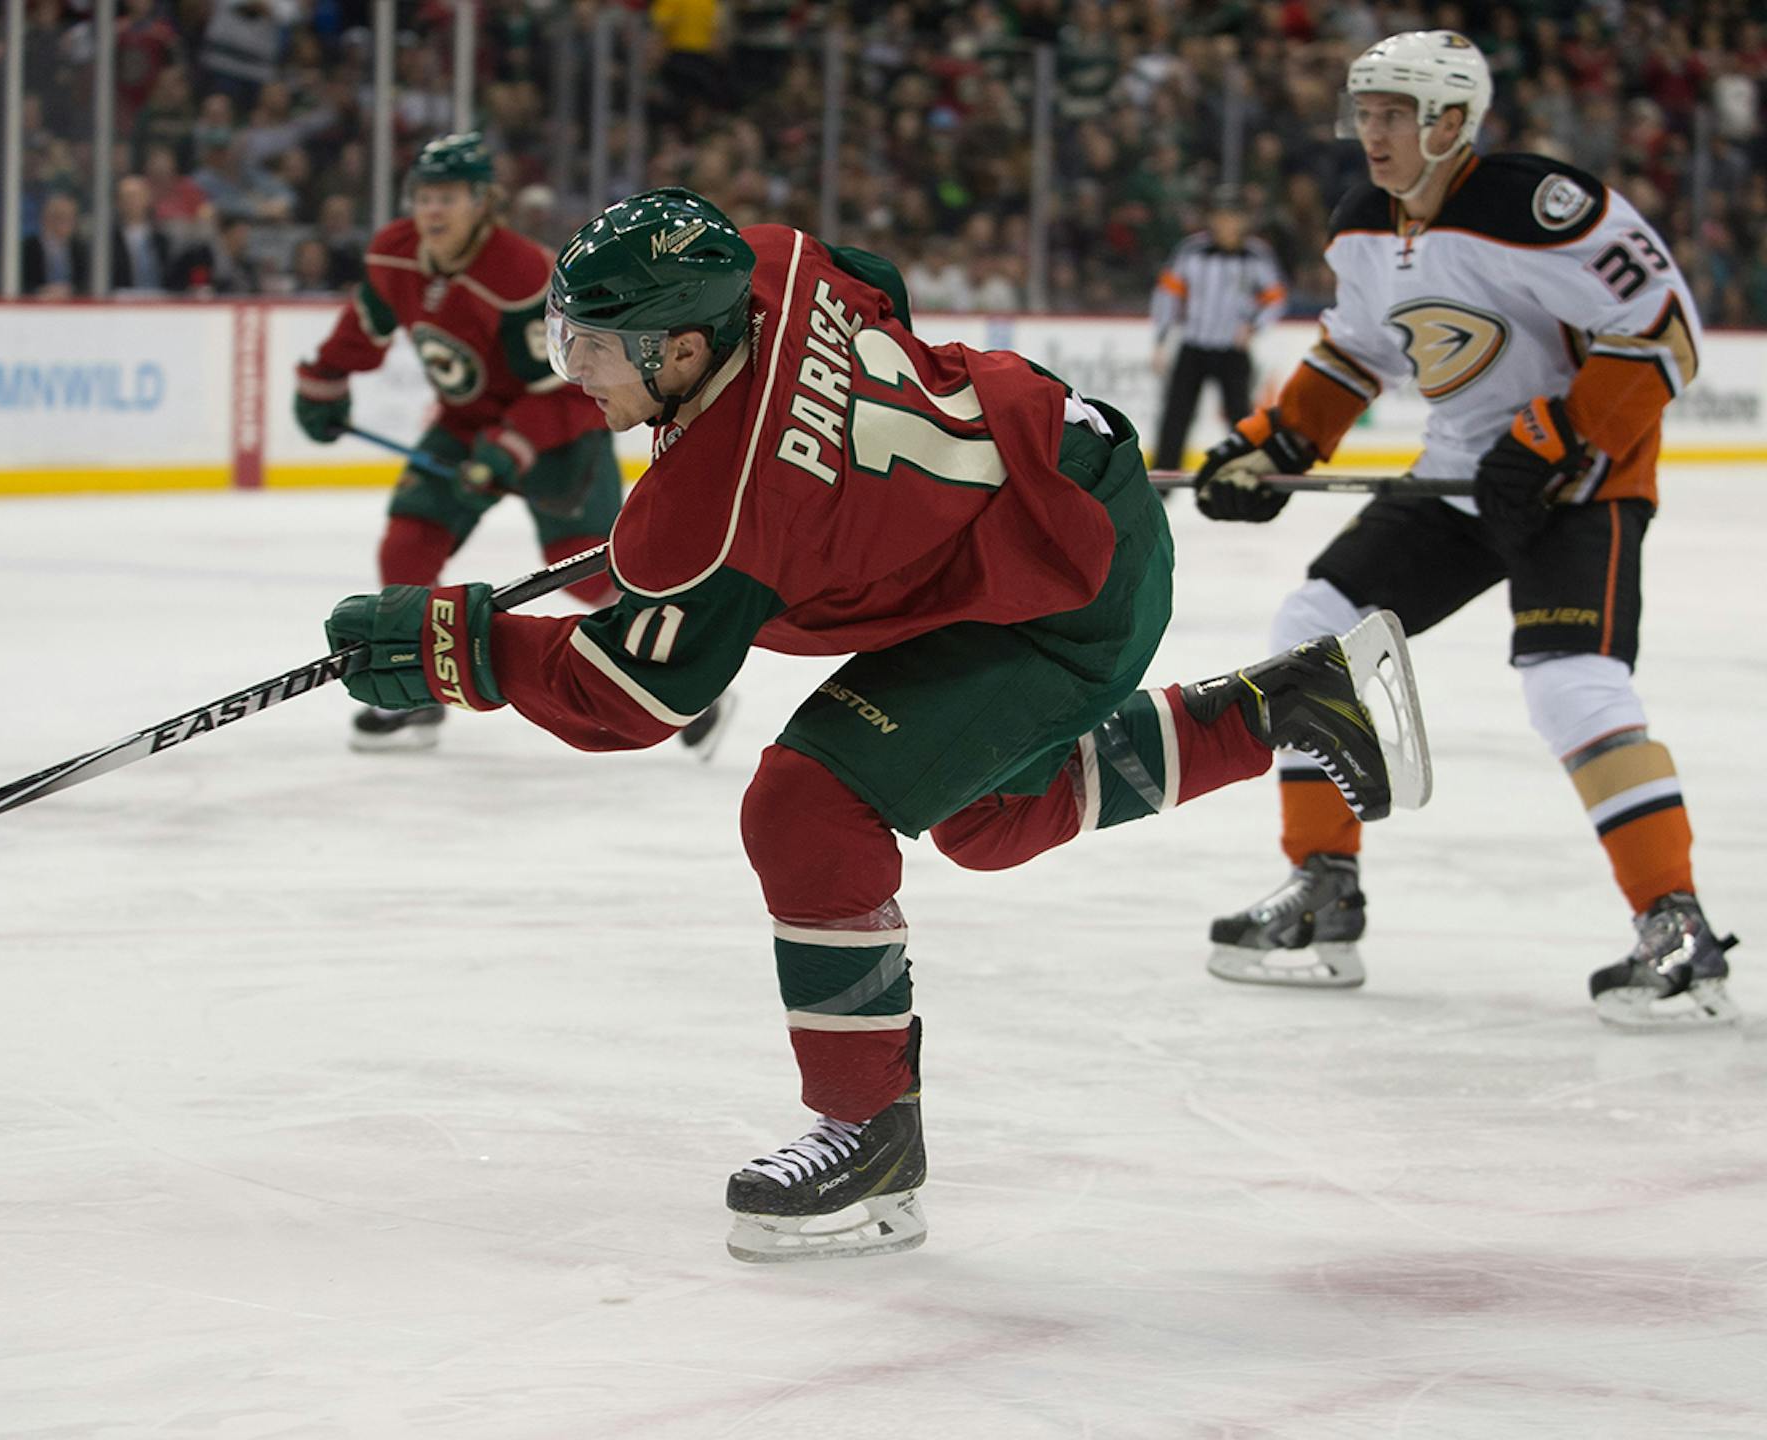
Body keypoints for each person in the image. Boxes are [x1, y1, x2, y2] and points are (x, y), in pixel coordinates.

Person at [320, 187, 1431, 1261]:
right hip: (1040, 471)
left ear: (684, 349)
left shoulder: (715, 518)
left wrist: (450, 648)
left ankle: (870, 1135)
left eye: (600, 349)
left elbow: (629, 698)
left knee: (808, 804)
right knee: (987, 819)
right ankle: (1281, 706)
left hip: (1066, 575)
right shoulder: (768, 260)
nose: (577, 375)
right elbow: (874, 285)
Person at [1192, 32, 1734, 1030]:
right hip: (1455, 477)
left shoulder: (1538, 208)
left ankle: (1678, 931)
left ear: (1453, 122)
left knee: (1573, 683)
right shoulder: (1362, 226)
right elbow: (1353, 353)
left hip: (1581, 481)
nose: (1375, 133)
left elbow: (1667, 327)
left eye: (1396, 114)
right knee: (1314, 625)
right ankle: (1324, 891)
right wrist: (1274, 445)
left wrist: (1557, 436)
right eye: (1366, 113)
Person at [293, 133, 727, 756]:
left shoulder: (520, 272)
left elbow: (566, 387)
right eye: (423, 196)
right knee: (408, 542)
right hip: (466, 425)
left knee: (586, 576)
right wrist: (324, 381)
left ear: (483, 201)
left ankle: (678, 685)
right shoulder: (395, 255)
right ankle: (416, 699)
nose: (432, 211)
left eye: (448, 197)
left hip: (558, 438)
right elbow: (367, 323)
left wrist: (509, 450)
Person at [1147, 185, 1286, 476]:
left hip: (1232, 349)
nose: (1226, 224)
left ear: (1243, 221)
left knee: (1240, 416)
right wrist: (1161, 338)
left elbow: (1275, 297)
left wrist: (1254, 326)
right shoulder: (1191, 250)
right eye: (1220, 216)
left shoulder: (1256, 255)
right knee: (1176, 414)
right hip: (1194, 344)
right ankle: (1163, 477)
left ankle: (1247, 472)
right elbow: (1168, 294)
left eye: (1232, 217)